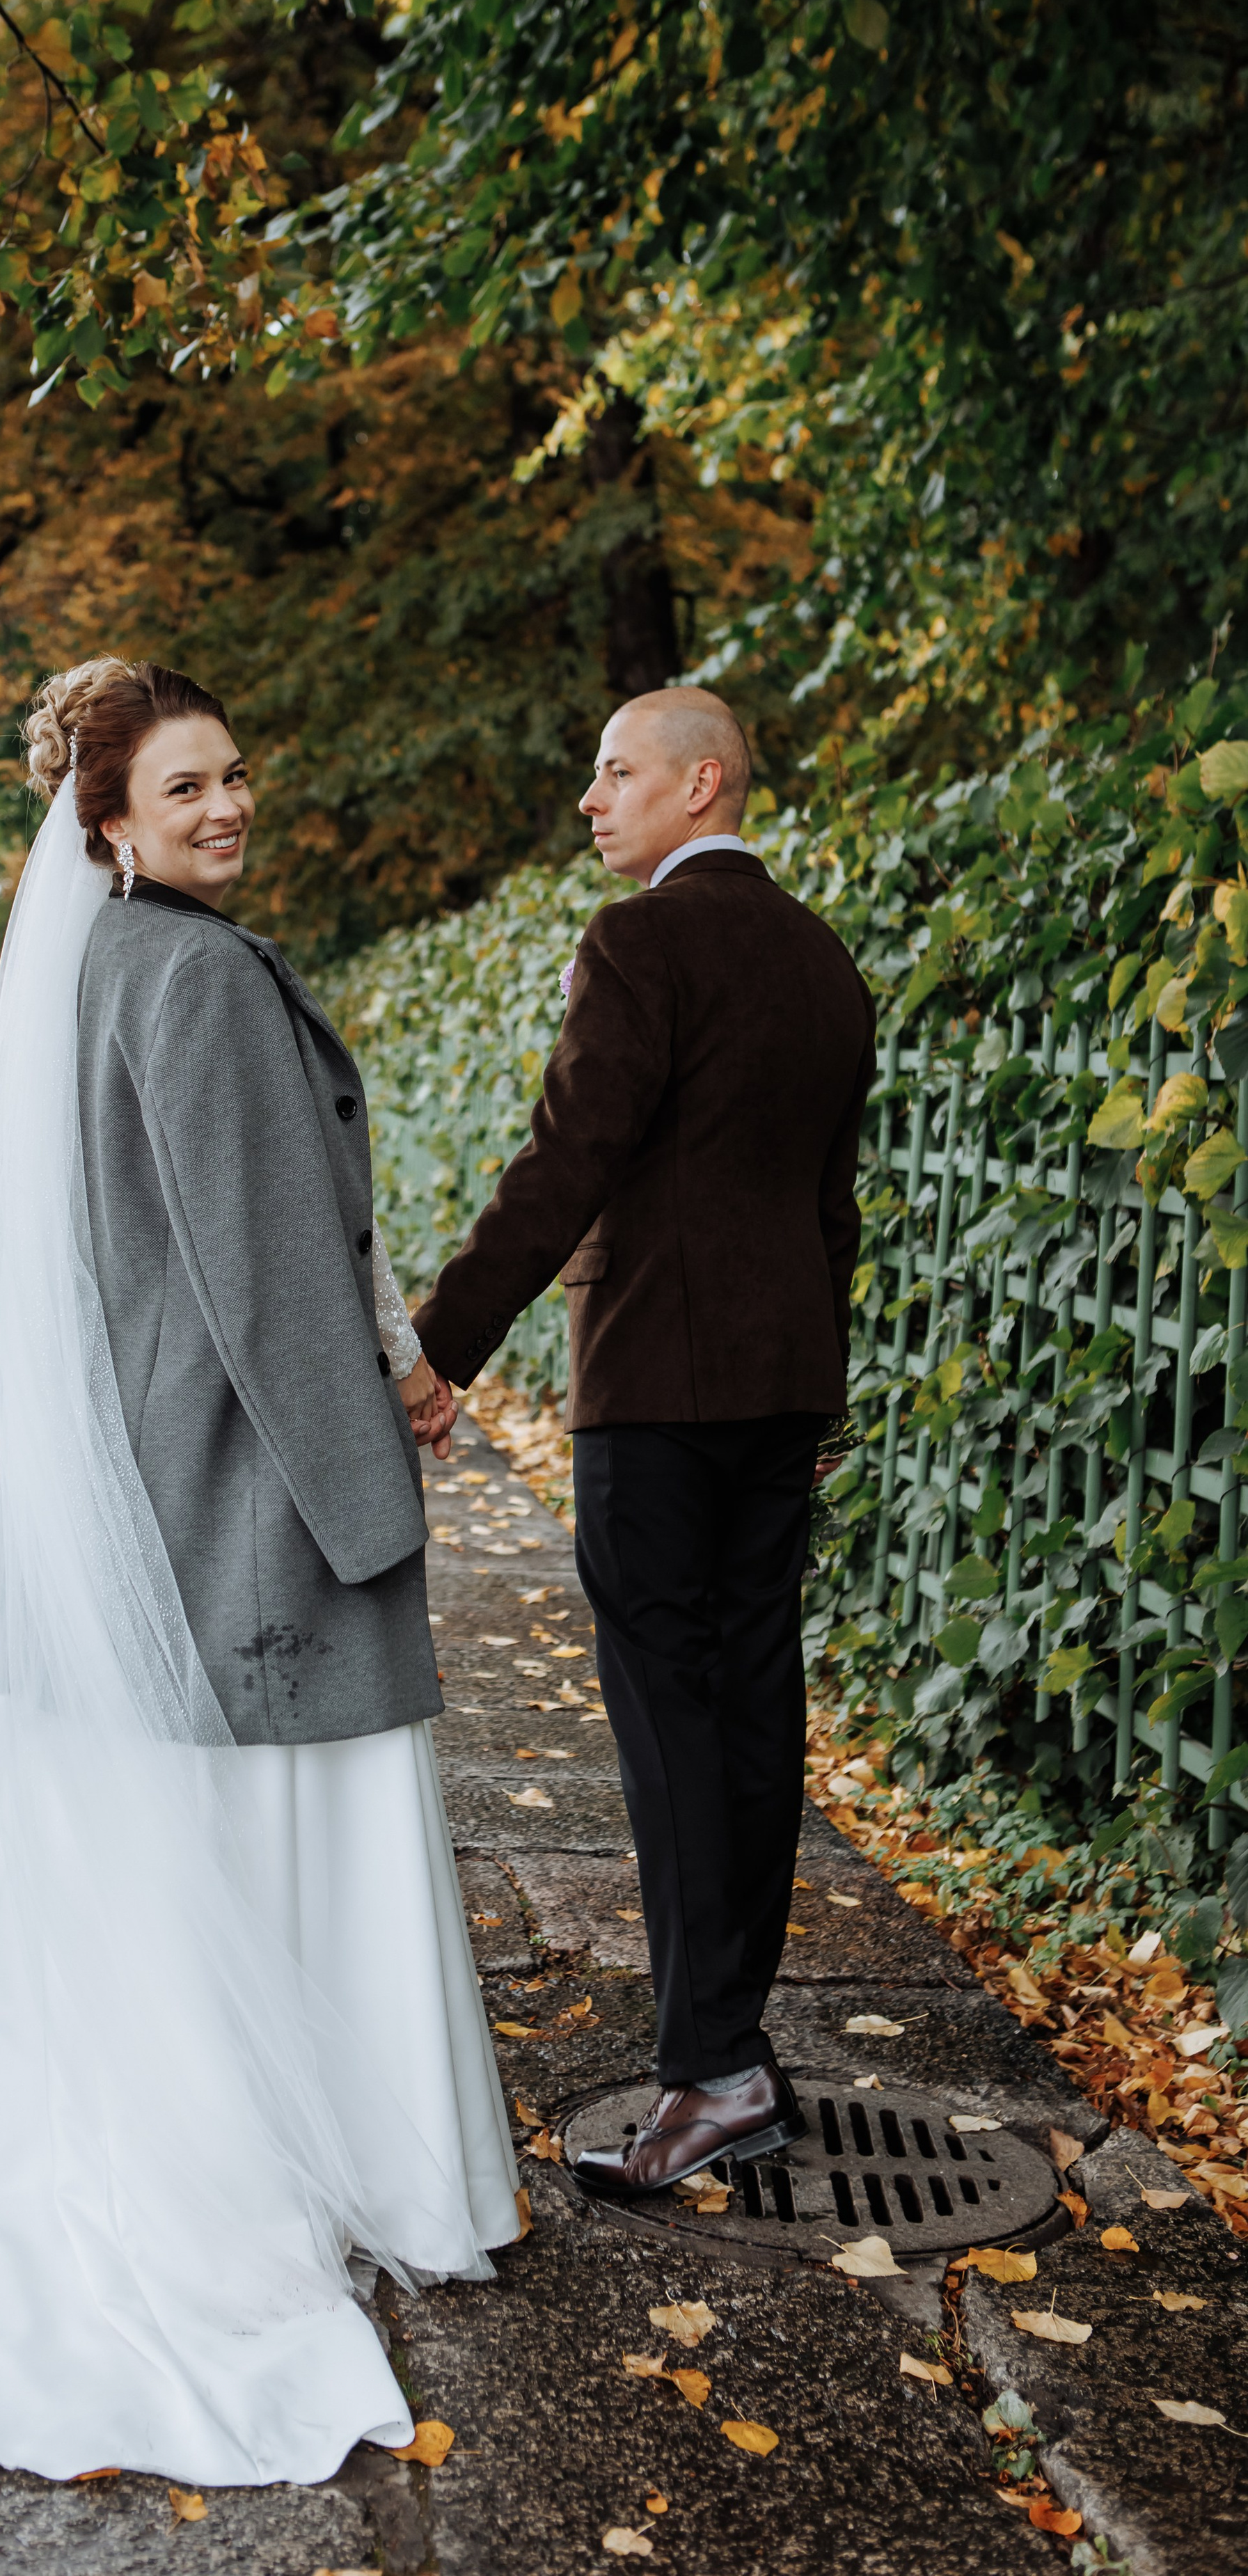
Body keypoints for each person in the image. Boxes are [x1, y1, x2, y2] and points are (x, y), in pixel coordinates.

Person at [0, 657, 519, 2484]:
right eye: (187, 787)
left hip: (171, 1469)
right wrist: (375, 1480)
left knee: (209, 1856)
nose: (227, 807)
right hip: (252, 1489)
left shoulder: (107, 968)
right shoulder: (196, 977)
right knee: (311, 1822)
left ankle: (272, 2162)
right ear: (111, 823)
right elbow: (265, 1276)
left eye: (235, 775)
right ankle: (348, 2180)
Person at [412, 685, 876, 2199]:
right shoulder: (822, 961)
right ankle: (733, 2044)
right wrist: (823, 1389)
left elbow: (569, 1156)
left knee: (670, 1727)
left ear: (702, 782)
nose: (589, 800)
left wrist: (439, 1347)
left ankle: (713, 2072)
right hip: (780, 1390)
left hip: (657, 1397)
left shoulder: (637, 944)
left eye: (615, 772)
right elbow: (829, 1212)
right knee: (751, 1712)